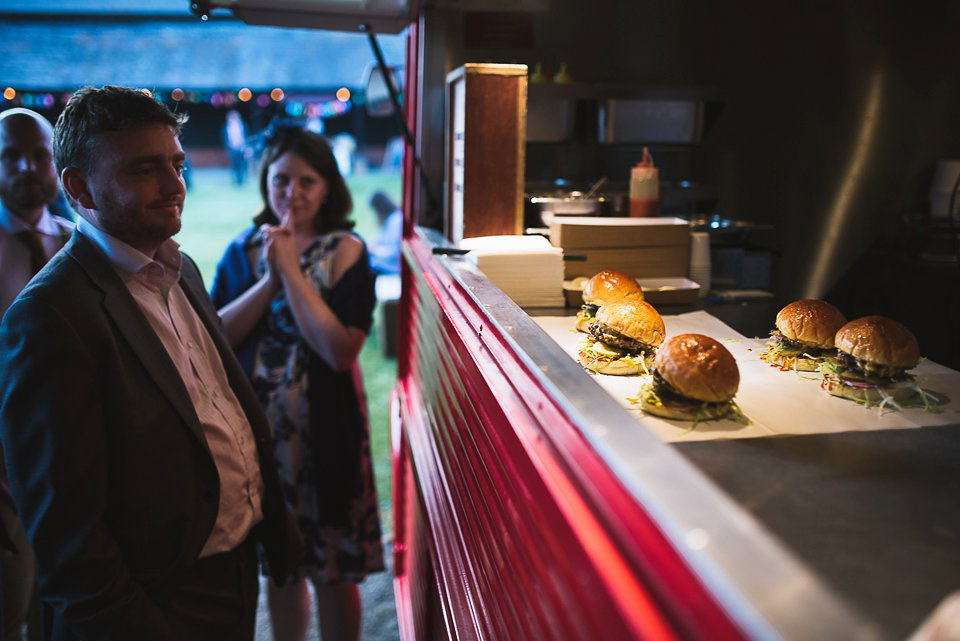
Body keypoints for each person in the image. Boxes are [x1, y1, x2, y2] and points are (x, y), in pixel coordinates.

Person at [0, 85, 297, 641]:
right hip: (154, 603)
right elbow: (68, 538)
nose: (173, 187)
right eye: (143, 171)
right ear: (80, 187)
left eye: (177, 165)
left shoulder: (181, 271)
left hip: (232, 574)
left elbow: (217, 404)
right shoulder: (48, 317)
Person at [211, 125, 384, 641]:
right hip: (260, 439)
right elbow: (217, 337)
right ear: (265, 181)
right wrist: (269, 278)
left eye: (307, 181)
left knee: (333, 569)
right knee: (280, 567)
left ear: (328, 186)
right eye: (281, 179)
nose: (292, 193)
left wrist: (291, 270)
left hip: (325, 432)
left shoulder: (346, 251)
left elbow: (339, 350)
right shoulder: (242, 250)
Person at [0, 107, 72, 641]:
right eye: (10, 156)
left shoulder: (81, 245)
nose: (27, 167)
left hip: (70, 471)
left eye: (39, 155)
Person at [367, 190, 402, 275]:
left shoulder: (396, 220)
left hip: (394, 268)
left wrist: (374, 250)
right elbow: (382, 240)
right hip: (388, 263)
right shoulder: (390, 219)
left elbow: (395, 252)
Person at [223, 109, 248, 186]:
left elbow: (246, 136)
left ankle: (242, 180)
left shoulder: (243, 125)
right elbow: (225, 137)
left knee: (242, 164)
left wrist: (246, 147)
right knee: (234, 164)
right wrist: (228, 146)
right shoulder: (226, 127)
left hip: (242, 148)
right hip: (232, 148)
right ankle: (236, 180)